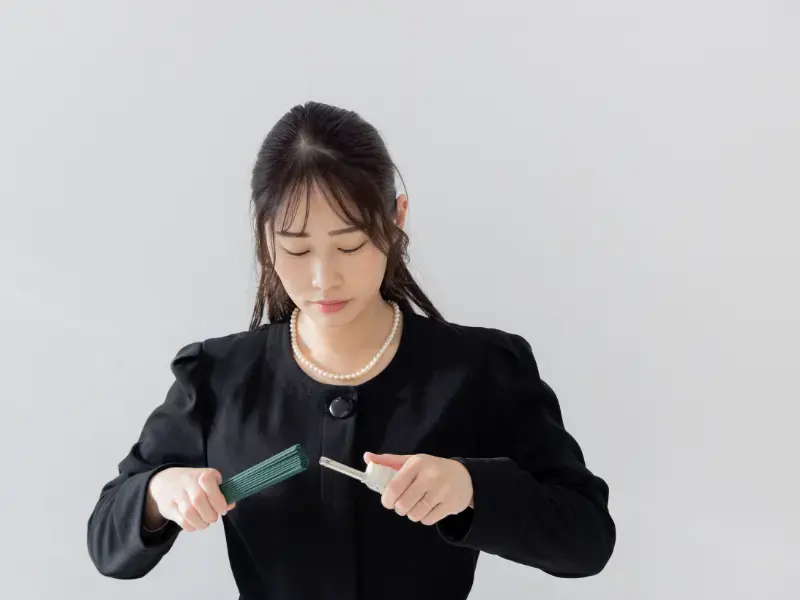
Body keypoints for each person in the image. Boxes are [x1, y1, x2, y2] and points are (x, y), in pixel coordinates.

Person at [86, 101, 616, 599]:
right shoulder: (217, 378)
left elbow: (587, 538)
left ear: (397, 217)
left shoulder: (480, 370)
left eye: (350, 244)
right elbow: (107, 542)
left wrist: (471, 487)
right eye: (295, 249)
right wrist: (158, 495)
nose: (322, 277)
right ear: (264, 236)